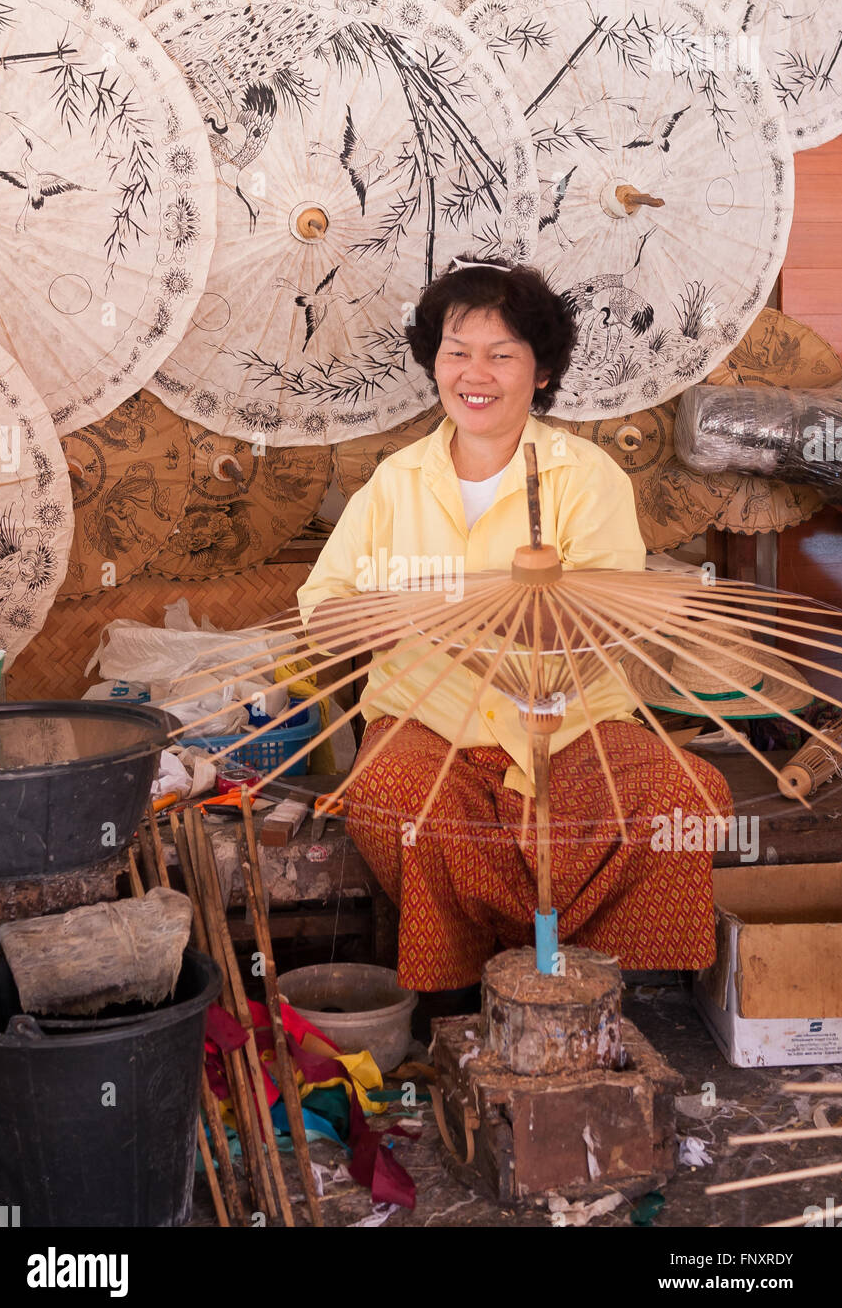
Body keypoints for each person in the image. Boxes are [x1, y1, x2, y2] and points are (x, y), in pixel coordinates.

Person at [297, 257, 732, 1017]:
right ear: (434, 362)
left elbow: (606, 621)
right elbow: (325, 612)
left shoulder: (584, 476)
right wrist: (399, 611)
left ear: (541, 372)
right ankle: (462, 996)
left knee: (681, 794)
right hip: (430, 724)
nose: (476, 373)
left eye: (502, 354)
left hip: (571, 726)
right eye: (456, 350)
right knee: (401, 797)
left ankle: (603, 993)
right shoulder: (394, 484)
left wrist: (516, 618)